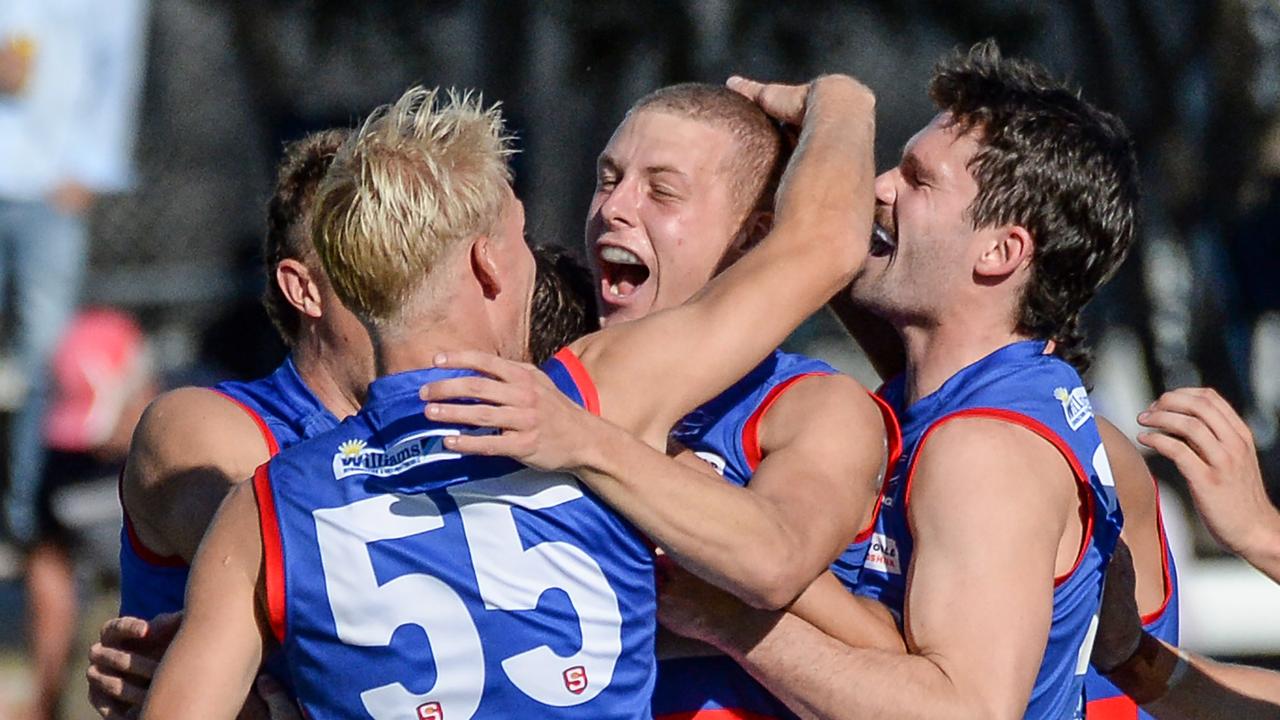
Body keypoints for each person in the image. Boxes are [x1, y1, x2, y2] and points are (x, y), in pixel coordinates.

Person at [138, 76, 876, 718]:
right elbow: (828, 241)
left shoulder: (263, 509)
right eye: (523, 237)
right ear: (490, 264)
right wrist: (841, 99)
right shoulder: (591, 400)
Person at [476, 40, 1132, 720]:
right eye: (609, 179)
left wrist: (733, 623)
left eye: (918, 178)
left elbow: (964, 712)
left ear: (1000, 252)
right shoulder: (966, 397)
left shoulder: (984, 449)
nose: (878, 188)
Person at [430, 81, 893, 719]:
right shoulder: (554, 386)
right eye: (608, 179)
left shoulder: (813, 406)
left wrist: (609, 456)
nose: (615, 208)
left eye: (662, 191)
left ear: (755, 238)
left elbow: (776, 559)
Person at [86, 128, 368, 720]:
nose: (412, 273)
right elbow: (296, 574)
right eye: (377, 252)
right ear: (305, 289)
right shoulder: (199, 428)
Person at [0, 0, 148, 549]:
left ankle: (30, 521)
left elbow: (118, 66)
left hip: (49, 186)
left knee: (46, 363)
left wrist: (91, 166)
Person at [26, 309, 157, 720]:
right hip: (108, 619)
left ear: (142, 391)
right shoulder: (61, 464)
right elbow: (52, 577)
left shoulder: (197, 441)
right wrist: (44, 696)